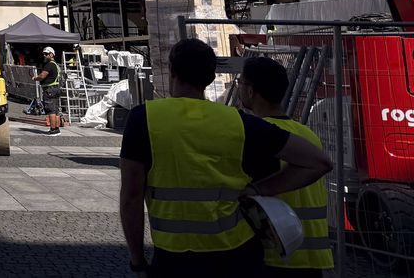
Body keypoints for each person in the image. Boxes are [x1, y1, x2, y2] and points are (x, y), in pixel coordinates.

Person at [119, 39, 332, 278]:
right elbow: (319, 162)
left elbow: (131, 197)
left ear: (172, 71)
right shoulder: (239, 122)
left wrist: (137, 261)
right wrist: (259, 189)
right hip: (235, 254)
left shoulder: (143, 119)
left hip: (173, 255)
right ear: (211, 78)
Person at [239, 56, 334, 277]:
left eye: (240, 83)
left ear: (251, 91)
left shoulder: (257, 137)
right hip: (313, 256)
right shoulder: (306, 135)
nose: (239, 87)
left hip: (277, 255)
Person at [37, 46, 63, 135]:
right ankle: (57, 129)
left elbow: (42, 76)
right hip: (56, 89)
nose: (44, 55)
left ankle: (53, 129)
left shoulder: (49, 65)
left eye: (46, 54)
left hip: (50, 90)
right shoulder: (56, 65)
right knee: (56, 110)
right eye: (44, 54)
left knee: (51, 110)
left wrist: (35, 78)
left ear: (51, 54)